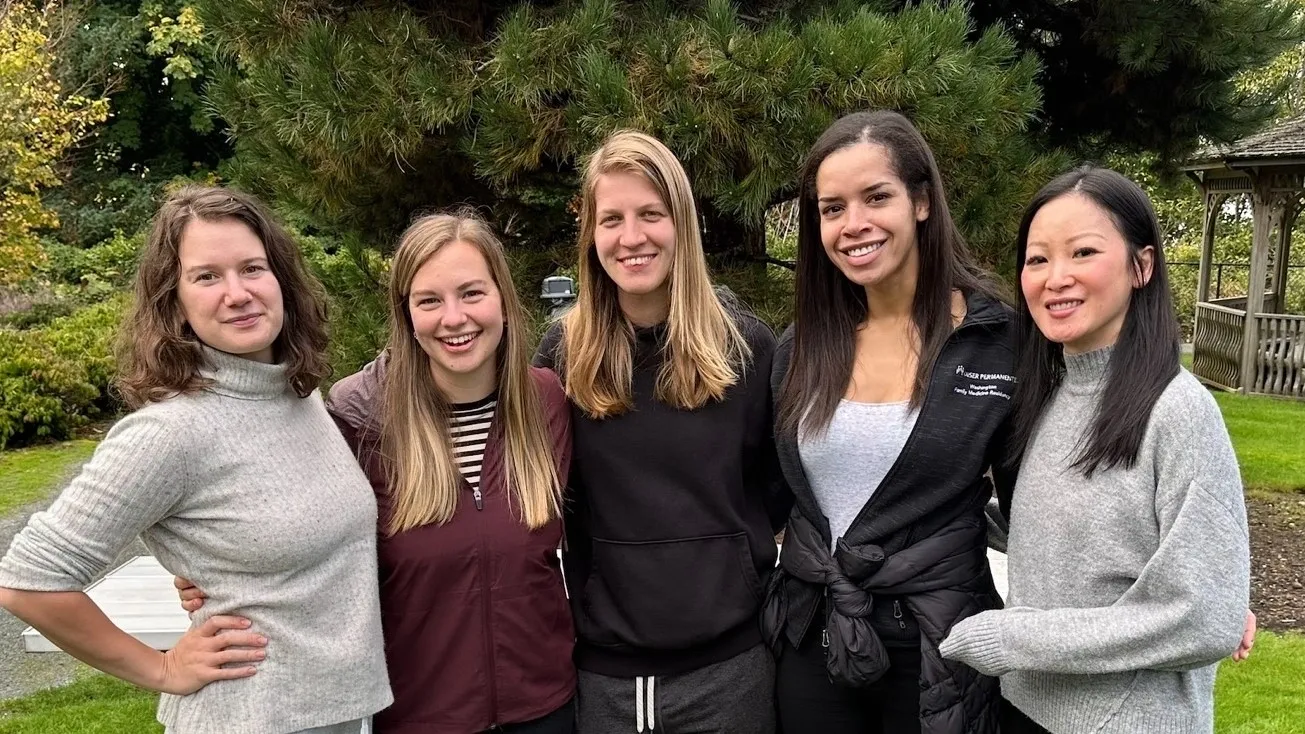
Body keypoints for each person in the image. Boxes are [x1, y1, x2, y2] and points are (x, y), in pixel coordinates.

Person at [0, 185, 392, 734]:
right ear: (174, 300)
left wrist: (211, 568)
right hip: (251, 716)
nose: (237, 293)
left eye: (252, 268)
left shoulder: (298, 396)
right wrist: (161, 667)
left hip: (342, 711)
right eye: (206, 276)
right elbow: (29, 580)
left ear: (281, 279)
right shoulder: (169, 433)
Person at [179, 212, 576, 733]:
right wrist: (211, 568)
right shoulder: (358, 415)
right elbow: (284, 515)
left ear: (502, 297)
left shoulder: (545, 401)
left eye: (472, 293)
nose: (454, 318)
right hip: (419, 713)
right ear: (406, 313)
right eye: (429, 300)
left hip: (546, 708)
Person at [939, 166, 1252, 734]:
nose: (1056, 277)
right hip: (1026, 711)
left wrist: (1015, 636)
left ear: (1142, 266)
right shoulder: (1047, 396)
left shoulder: (1178, 410)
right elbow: (1077, 534)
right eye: (1037, 259)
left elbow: (1206, 617)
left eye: (1083, 252)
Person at [762, 109, 1015, 734]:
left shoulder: (997, 343)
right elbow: (761, 492)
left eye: (876, 198)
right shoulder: (802, 347)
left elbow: (1049, 498)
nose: (854, 225)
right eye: (832, 208)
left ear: (921, 201)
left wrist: (1170, 582)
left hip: (936, 641)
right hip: (812, 633)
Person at [533, 130, 788, 733]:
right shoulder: (563, 357)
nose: (632, 237)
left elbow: (776, 491)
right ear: (591, 236)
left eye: (651, 214)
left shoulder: (745, 349)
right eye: (611, 218)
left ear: (683, 224)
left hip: (733, 667)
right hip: (608, 676)